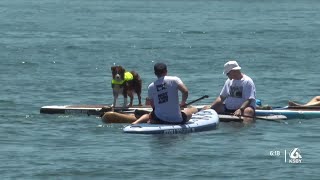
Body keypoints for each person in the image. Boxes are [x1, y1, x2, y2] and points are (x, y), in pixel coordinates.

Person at [132, 62, 197, 124]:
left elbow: (153, 104)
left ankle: (138, 122)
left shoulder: (151, 86)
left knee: (151, 114)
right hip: (176, 120)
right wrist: (183, 103)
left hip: (159, 119)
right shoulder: (174, 80)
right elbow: (185, 91)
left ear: (155, 73)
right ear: (166, 71)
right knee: (188, 112)